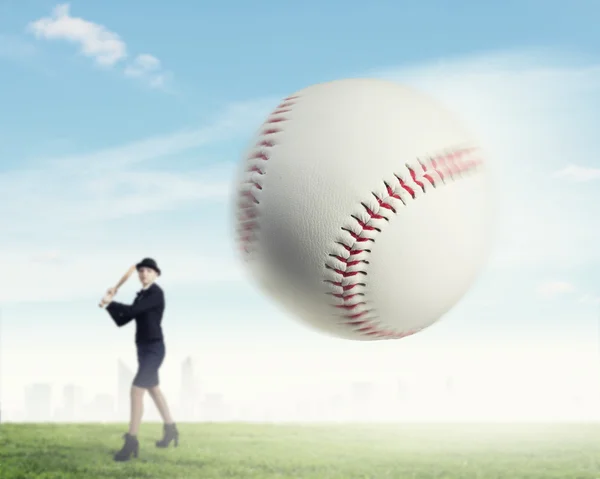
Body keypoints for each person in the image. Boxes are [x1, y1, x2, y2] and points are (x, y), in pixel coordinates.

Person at [99, 257, 179, 462]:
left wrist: (112, 301)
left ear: (156, 274)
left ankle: (131, 440)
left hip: (154, 349)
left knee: (136, 391)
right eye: (141, 271)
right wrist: (108, 305)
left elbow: (133, 311)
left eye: (148, 271)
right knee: (153, 389)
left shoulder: (155, 293)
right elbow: (122, 320)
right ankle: (171, 429)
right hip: (143, 349)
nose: (144, 273)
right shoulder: (141, 296)